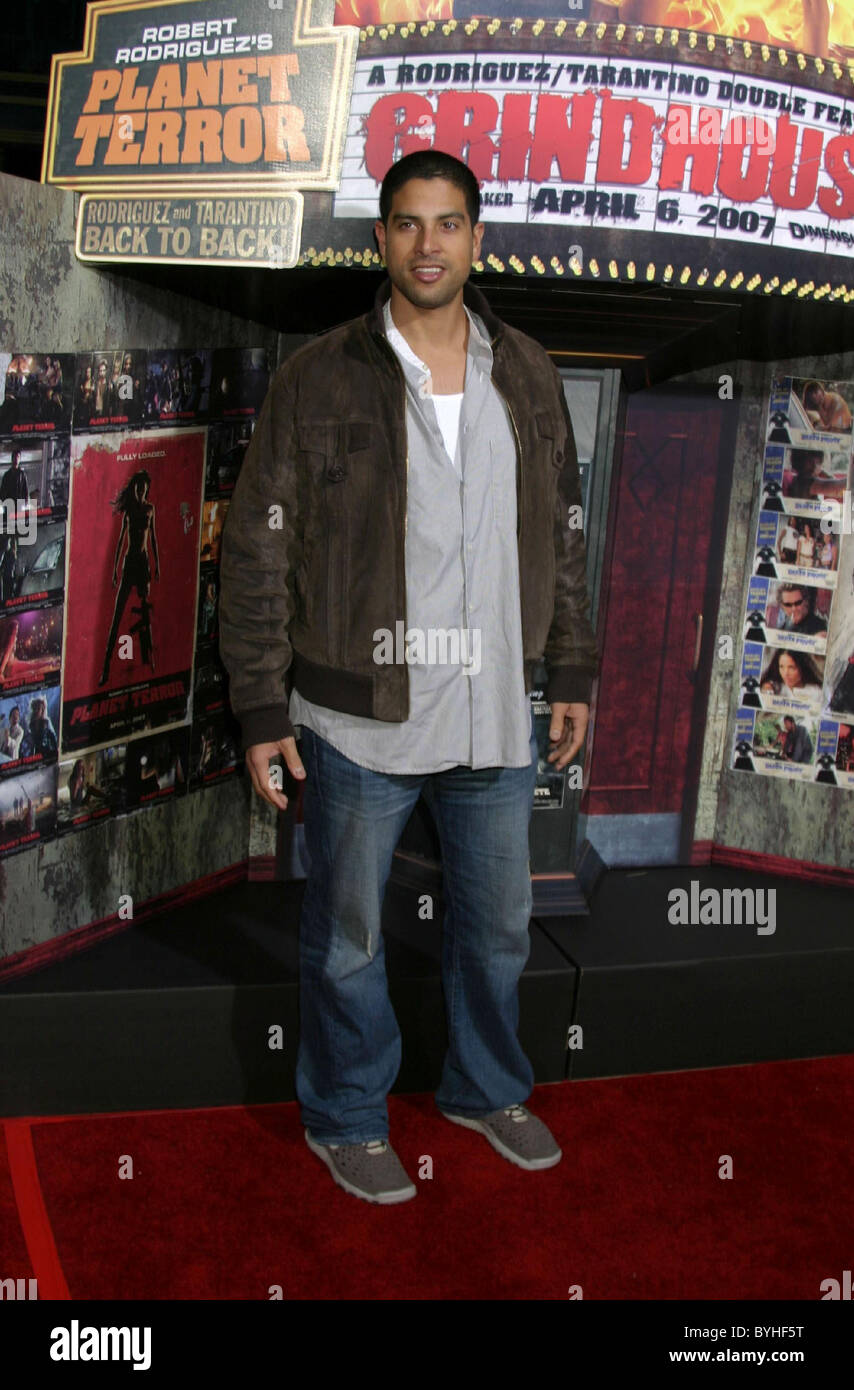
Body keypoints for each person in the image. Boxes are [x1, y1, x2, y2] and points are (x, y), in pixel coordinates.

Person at [218, 149, 598, 1206]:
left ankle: (483, 1089)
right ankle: (344, 1114)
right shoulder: (317, 376)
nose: (427, 244)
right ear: (379, 239)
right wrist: (258, 705)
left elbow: (559, 534)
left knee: (496, 930)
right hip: (356, 719)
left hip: (489, 713)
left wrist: (567, 665)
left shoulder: (523, 368)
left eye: (447, 224)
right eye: (406, 223)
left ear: (477, 240)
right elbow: (255, 552)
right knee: (345, 938)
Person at [99, 470, 160, 686]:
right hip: (130, 562)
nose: (141, 491)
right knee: (117, 615)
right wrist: (115, 569)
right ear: (135, 489)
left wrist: (157, 565)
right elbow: (120, 542)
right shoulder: (130, 512)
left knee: (145, 613)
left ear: (147, 490)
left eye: (144, 488)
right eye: (138, 488)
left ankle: (150, 663)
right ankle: (105, 670)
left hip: (142, 564)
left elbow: (152, 539)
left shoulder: (150, 510)